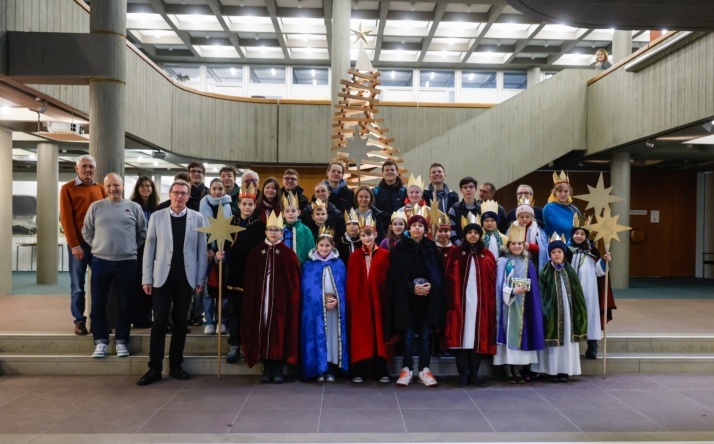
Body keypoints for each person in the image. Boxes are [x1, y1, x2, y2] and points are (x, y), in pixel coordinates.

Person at [138, 180, 207, 386]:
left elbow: (202, 252)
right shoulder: (158, 217)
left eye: (183, 193)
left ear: (188, 196)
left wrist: (200, 279)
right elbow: (149, 249)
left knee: (180, 322)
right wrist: (146, 278)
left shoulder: (198, 218)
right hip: (161, 277)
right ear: (170, 194)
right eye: (176, 193)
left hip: (186, 278)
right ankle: (154, 368)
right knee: (159, 322)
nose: (179, 197)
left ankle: (176, 365)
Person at [82, 173, 147, 358]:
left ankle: (121, 341)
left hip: (127, 262)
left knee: (126, 303)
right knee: (97, 303)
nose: (113, 189)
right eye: (109, 186)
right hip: (101, 261)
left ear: (123, 186)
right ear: (104, 187)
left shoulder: (134, 207)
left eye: (116, 185)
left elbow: (142, 232)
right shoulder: (96, 207)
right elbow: (87, 231)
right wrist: (98, 246)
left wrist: (130, 247)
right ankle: (101, 341)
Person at [241, 211, 301, 384]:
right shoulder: (257, 252)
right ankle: (267, 368)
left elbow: (294, 282)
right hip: (262, 301)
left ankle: (279, 368)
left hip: (282, 303)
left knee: (280, 330)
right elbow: (250, 280)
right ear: (266, 232)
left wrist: (292, 300)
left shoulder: (289, 254)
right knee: (263, 329)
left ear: (282, 232)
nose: (273, 232)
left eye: (277, 230)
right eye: (270, 229)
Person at [389, 206, 444, 387]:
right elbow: (396, 276)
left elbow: (437, 273)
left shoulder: (431, 248)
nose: (417, 229)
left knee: (426, 336)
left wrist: (431, 285)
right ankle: (407, 368)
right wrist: (412, 288)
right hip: (407, 300)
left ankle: (424, 370)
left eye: (421, 226)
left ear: (425, 230)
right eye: (414, 226)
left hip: (427, 300)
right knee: (408, 335)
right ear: (409, 229)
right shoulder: (400, 248)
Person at [443, 214, 497, 387]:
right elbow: (449, 280)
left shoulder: (487, 255)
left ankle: (474, 374)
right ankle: (463, 374)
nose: (473, 235)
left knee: (477, 338)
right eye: (470, 232)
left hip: (481, 303)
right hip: (460, 303)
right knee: (462, 339)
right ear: (464, 235)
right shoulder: (456, 254)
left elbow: (491, 280)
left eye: (476, 232)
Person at [531, 234, 588, 383]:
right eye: (553, 252)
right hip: (551, 314)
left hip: (568, 314)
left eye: (559, 252)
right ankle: (551, 370)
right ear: (550, 255)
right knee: (552, 343)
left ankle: (564, 370)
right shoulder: (544, 272)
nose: (556, 255)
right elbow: (541, 295)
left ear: (564, 254)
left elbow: (578, 294)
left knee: (567, 342)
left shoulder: (570, 271)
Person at [60, 154, 107, 335]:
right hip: (78, 245)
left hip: (98, 245)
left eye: (91, 167)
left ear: (95, 169)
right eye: (84, 166)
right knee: (78, 286)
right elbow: (66, 218)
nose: (88, 170)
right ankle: (79, 320)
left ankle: (97, 320)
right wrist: (74, 245)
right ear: (77, 169)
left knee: (99, 284)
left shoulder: (101, 189)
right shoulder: (67, 189)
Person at [494, 224, 545, 383]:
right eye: (513, 243)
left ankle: (518, 367)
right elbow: (498, 284)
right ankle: (508, 367)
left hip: (523, 306)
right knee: (508, 332)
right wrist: (511, 292)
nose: (516, 246)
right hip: (507, 305)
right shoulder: (502, 261)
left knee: (523, 333)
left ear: (524, 245)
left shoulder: (528, 262)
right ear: (508, 245)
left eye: (519, 243)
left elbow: (533, 287)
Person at [222, 183, 265, 364]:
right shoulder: (230, 223)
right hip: (234, 273)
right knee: (234, 311)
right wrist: (220, 254)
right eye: (244, 204)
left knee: (252, 311)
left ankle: (251, 345)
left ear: (255, 206)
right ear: (238, 204)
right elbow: (224, 244)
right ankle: (234, 344)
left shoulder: (260, 225)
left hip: (253, 274)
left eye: (250, 204)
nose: (247, 207)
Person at [346, 215, 391, 383]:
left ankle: (381, 370)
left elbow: (386, 278)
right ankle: (360, 369)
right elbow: (352, 282)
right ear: (359, 236)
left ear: (376, 234)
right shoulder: (354, 256)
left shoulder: (384, 255)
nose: (366, 238)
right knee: (361, 334)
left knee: (378, 333)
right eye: (363, 235)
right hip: (360, 302)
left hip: (379, 300)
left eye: (369, 234)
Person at [300, 227, 349, 382]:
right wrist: (320, 301)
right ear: (316, 246)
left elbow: (344, 287)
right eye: (321, 245)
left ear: (332, 246)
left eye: (327, 246)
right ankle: (318, 369)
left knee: (333, 338)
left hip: (334, 310)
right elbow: (306, 290)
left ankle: (331, 368)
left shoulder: (339, 264)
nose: (324, 248)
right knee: (317, 336)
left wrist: (337, 300)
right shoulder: (309, 265)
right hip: (315, 311)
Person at [567, 219, 612, 360]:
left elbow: (599, 272)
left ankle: (592, 346)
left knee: (590, 314)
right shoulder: (566, 251)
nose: (579, 236)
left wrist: (604, 261)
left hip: (589, 290)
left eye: (582, 234)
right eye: (576, 233)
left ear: (586, 236)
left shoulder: (593, 251)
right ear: (572, 235)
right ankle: (570, 347)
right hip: (571, 289)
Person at [198, 178, 234, 335]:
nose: (218, 191)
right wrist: (208, 249)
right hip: (207, 252)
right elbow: (200, 228)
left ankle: (222, 320)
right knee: (207, 289)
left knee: (223, 287)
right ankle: (209, 321)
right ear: (209, 189)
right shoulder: (203, 205)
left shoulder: (229, 205)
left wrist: (223, 250)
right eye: (214, 188)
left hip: (224, 251)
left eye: (220, 188)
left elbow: (231, 231)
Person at [130, 176, 159, 329]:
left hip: (154, 249)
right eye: (142, 186)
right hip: (138, 249)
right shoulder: (133, 206)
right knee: (139, 284)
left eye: (148, 186)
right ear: (137, 189)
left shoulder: (157, 208)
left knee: (152, 284)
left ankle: (148, 317)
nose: (146, 189)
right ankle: (139, 318)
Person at [508, 197, 549, 272]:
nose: (524, 219)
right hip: (514, 263)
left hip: (532, 263)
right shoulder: (511, 229)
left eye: (527, 217)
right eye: (522, 217)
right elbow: (506, 246)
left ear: (532, 217)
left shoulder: (538, 231)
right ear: (517, 217)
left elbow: (543, 250)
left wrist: (529, 246)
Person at [542, 171, 581, 242]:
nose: (563, 194)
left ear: (570, 192)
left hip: (575, 245)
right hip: (556, 246)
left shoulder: (574, 209)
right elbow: (560, 225)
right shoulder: (549, 208)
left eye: (566, 191)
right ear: (554, 192)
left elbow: (581, 227)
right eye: (560, 191)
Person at [282, 190, 315, 265]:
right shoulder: (279, 229)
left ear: (299, 212)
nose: (290, 213)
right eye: (287, 211)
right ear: (282, 213)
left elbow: (311, 249)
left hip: (300, 266)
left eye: (293, 211)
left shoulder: (305, 230)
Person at [372, 159, 406, 229]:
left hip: (400, 230)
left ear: (397, 173)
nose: (390, 172)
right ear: (382, 173)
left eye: (392, 170)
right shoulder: (375, 191)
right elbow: (374, 213)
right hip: (382, 230)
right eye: (387, 170)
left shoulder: (404, 191)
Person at [448, 177, 480, 246]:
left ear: (476, 189)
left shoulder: (482, 209)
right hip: (460, 247)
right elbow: (452, 231)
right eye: (465, 187)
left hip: (479, 247)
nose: (468, 190)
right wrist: (460, 245)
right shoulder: (454, 209)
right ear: (461, 190)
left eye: (471, 187)